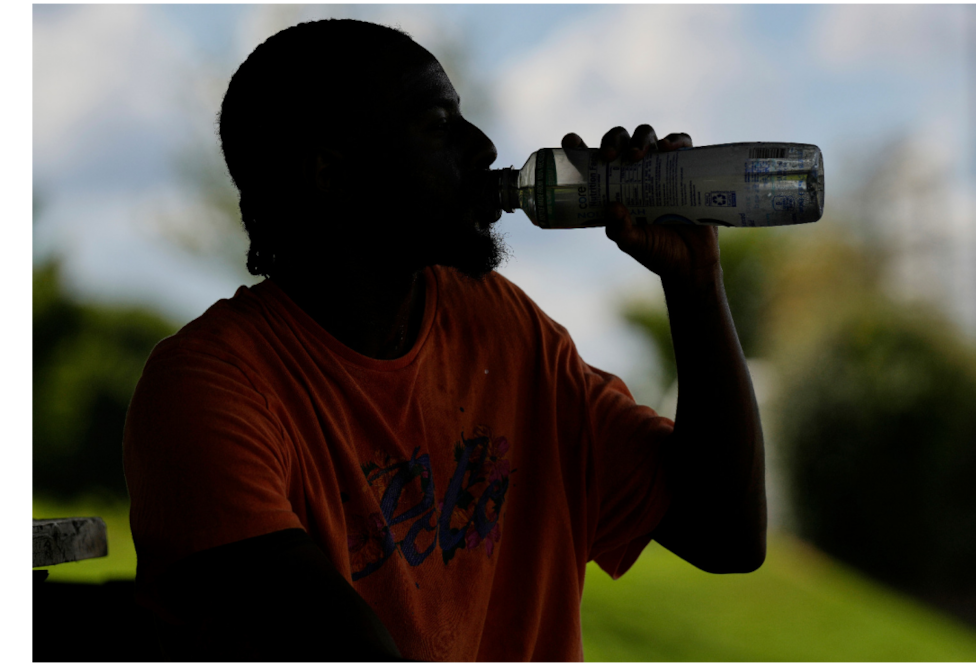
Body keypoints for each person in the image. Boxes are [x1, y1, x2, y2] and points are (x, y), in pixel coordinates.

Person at [123, 18, 765, 664]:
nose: (484, 147)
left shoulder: (504, 329)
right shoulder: (211, 388)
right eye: (437, 124)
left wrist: (695, 284)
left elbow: (727, 536)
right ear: (331, 176)